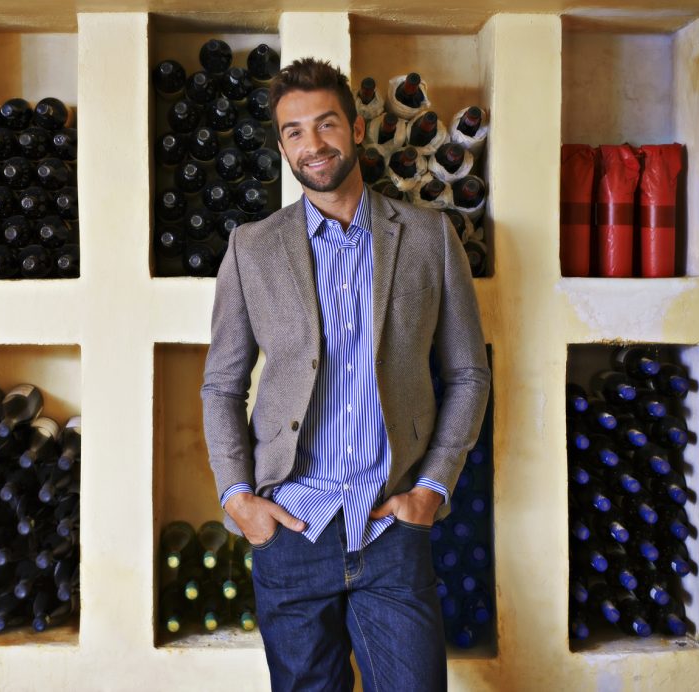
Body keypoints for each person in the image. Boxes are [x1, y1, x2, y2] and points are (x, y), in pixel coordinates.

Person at [201, 58, 490, 691]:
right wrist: (238, 499)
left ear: (356, 129)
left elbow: (469, 374)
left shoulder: (429, 237)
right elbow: (222, 385)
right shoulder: (251, 247)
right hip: (290, 529)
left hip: (390, 525)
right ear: (282, 147)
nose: (313, 144)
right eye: (295, 131)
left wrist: (431, 489)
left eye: (326, 124)